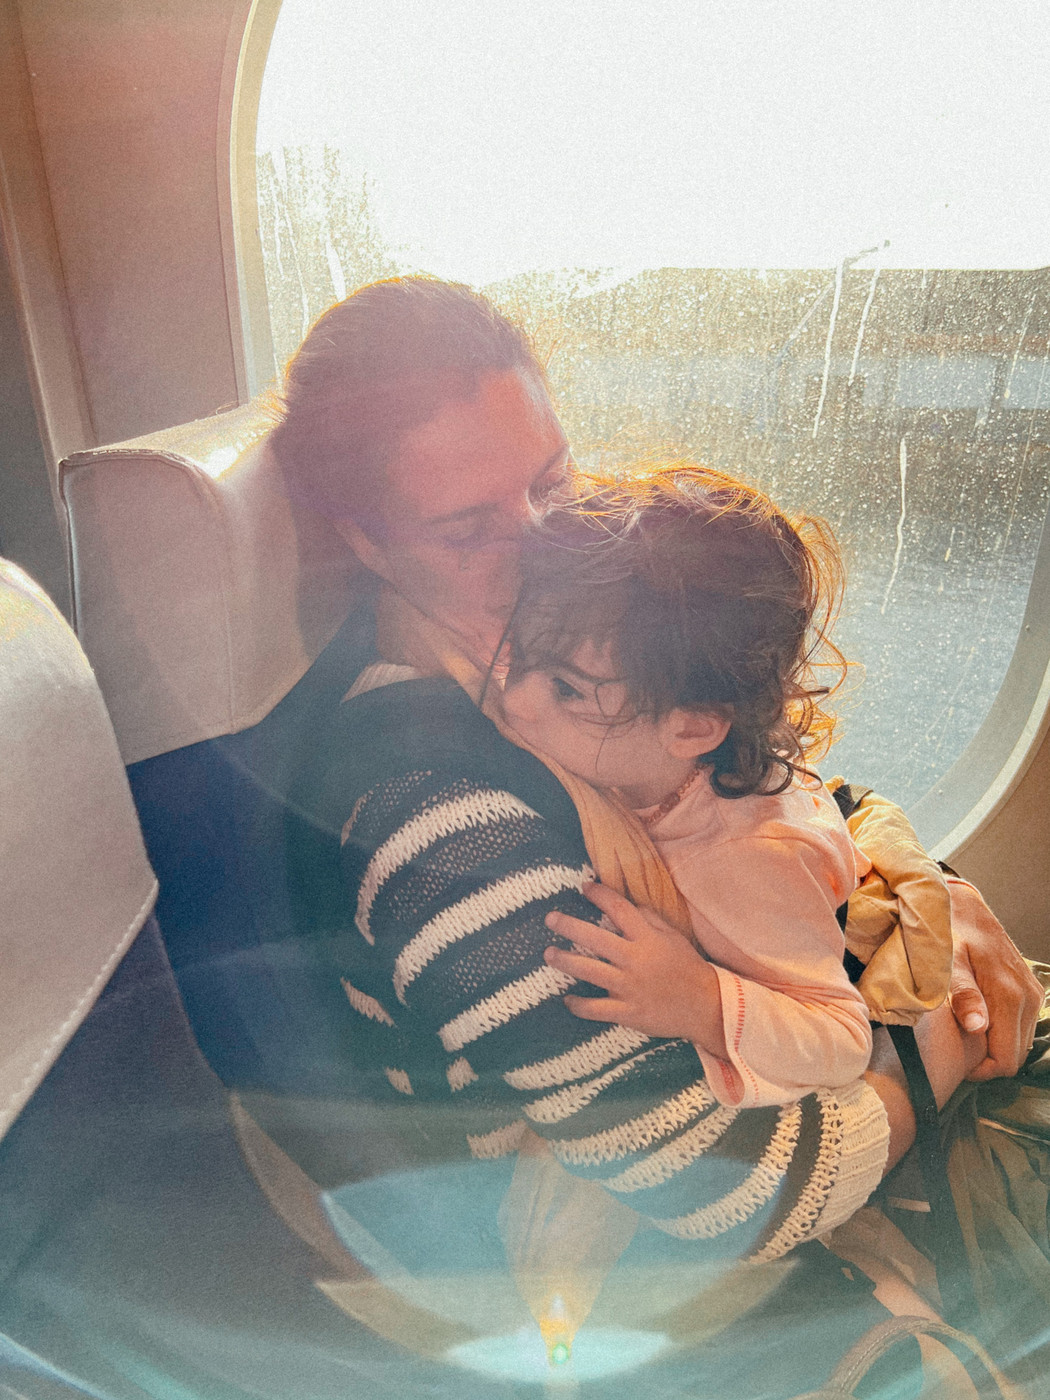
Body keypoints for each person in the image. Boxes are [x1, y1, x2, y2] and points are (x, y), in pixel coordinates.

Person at [273, 276, 1044, 1382]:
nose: (544, 544)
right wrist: (930, 1052)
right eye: (467, 528)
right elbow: (728, 1192)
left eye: (550, 483)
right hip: (657, 1234)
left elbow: (734, 778)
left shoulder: (525, 649)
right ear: (369, 544)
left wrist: (917, 878)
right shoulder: (444, 819)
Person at [499, 464, 873, 1109]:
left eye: (566, 689)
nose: (516, 701)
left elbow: (842, 1039)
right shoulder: (629, 739)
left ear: (695, 726)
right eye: (520, 659)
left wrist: (699, 999)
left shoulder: (746, 859)